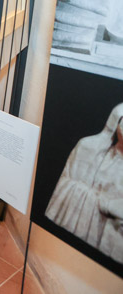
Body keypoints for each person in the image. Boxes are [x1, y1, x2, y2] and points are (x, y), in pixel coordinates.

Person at [45, 102, 123, 262]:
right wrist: (96, 200)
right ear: (115, 121)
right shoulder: (87, 147)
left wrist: (108, 205)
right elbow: (64, 182)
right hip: (69, 227)